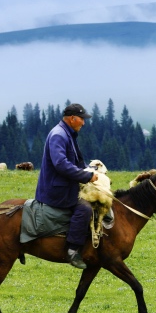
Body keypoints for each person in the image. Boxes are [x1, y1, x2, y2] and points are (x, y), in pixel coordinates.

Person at [36, 103, 98, 268]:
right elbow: (61, 164)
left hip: (63, 186)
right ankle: (72, 250)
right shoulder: (59, 135)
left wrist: (91, 169)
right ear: (72, 118)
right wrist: (86, 176)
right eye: (82, 119)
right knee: (84, 208)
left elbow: (76, 161)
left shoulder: (67, 134)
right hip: (57, 191)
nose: (83, 123)